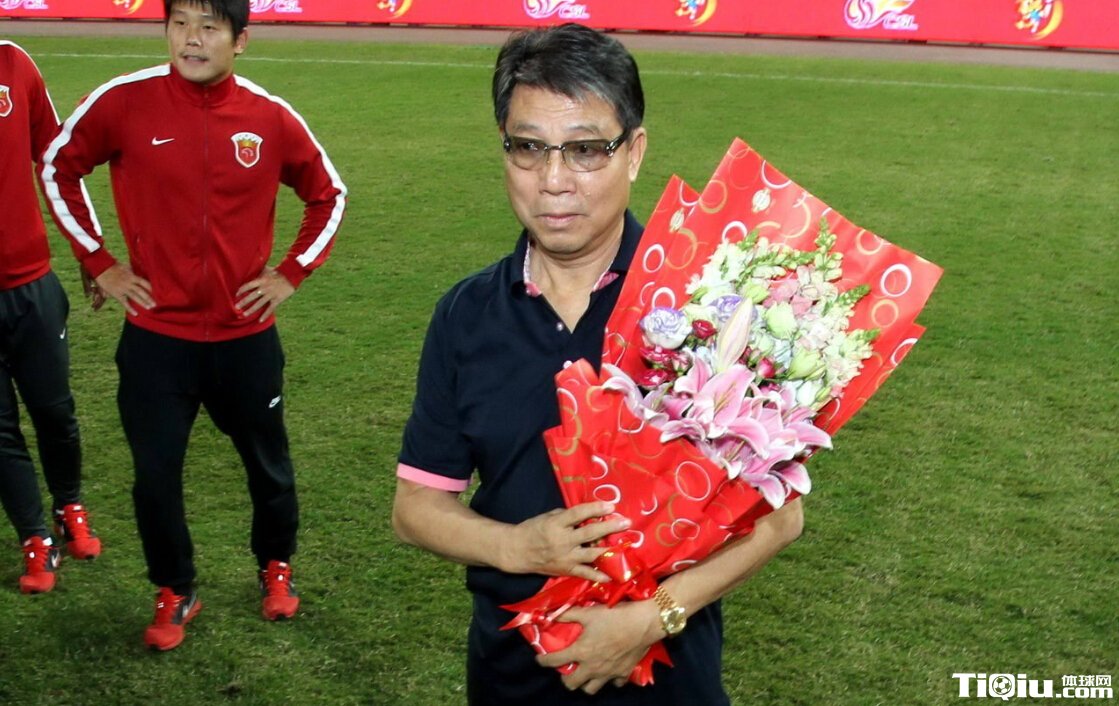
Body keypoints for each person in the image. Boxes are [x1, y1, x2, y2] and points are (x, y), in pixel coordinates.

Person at [392, 23, 804, 705]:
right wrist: (519, 548)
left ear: (633, 152)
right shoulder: (465, 315)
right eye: (528, 148)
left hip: (670, 679)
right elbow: (415, 509)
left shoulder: (707, 306)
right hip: (510, 677)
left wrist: (651, 618)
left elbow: (780, 519)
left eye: (585, 150)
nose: (554, 181)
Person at [41, 0, 346, 651]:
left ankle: (275, 565)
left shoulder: (268, 116)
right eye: (180, 23)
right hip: (156, 339)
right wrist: (99, 261)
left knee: (268, 466)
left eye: (209, 27)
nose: (192, 39)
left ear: (241, 40)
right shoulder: (124, 102)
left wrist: (290, 273)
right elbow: (57, 165)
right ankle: (175, 587)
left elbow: (329, 194)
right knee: (154, 477)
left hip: (245, 338)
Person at [1, 40, 102, 595]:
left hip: (31, 285)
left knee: (54, 411)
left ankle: (69, 506)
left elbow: (55, 162)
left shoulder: (15, 64)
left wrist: (88, 248)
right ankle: (34, 537)